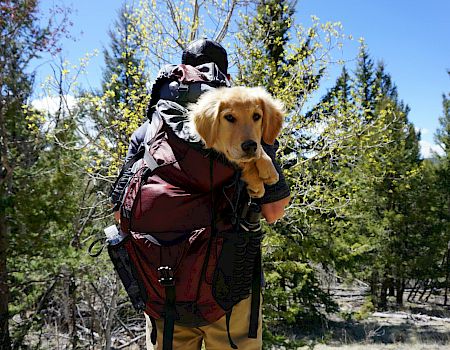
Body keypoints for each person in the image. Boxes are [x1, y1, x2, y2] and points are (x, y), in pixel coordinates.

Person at [111, 38, 290, 350]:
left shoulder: (148, 131)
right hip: (231, 288)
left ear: (183, 71)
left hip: (164, 288)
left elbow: (120, 210)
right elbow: (274, 212)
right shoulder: (246, 121)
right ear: (226, 77)